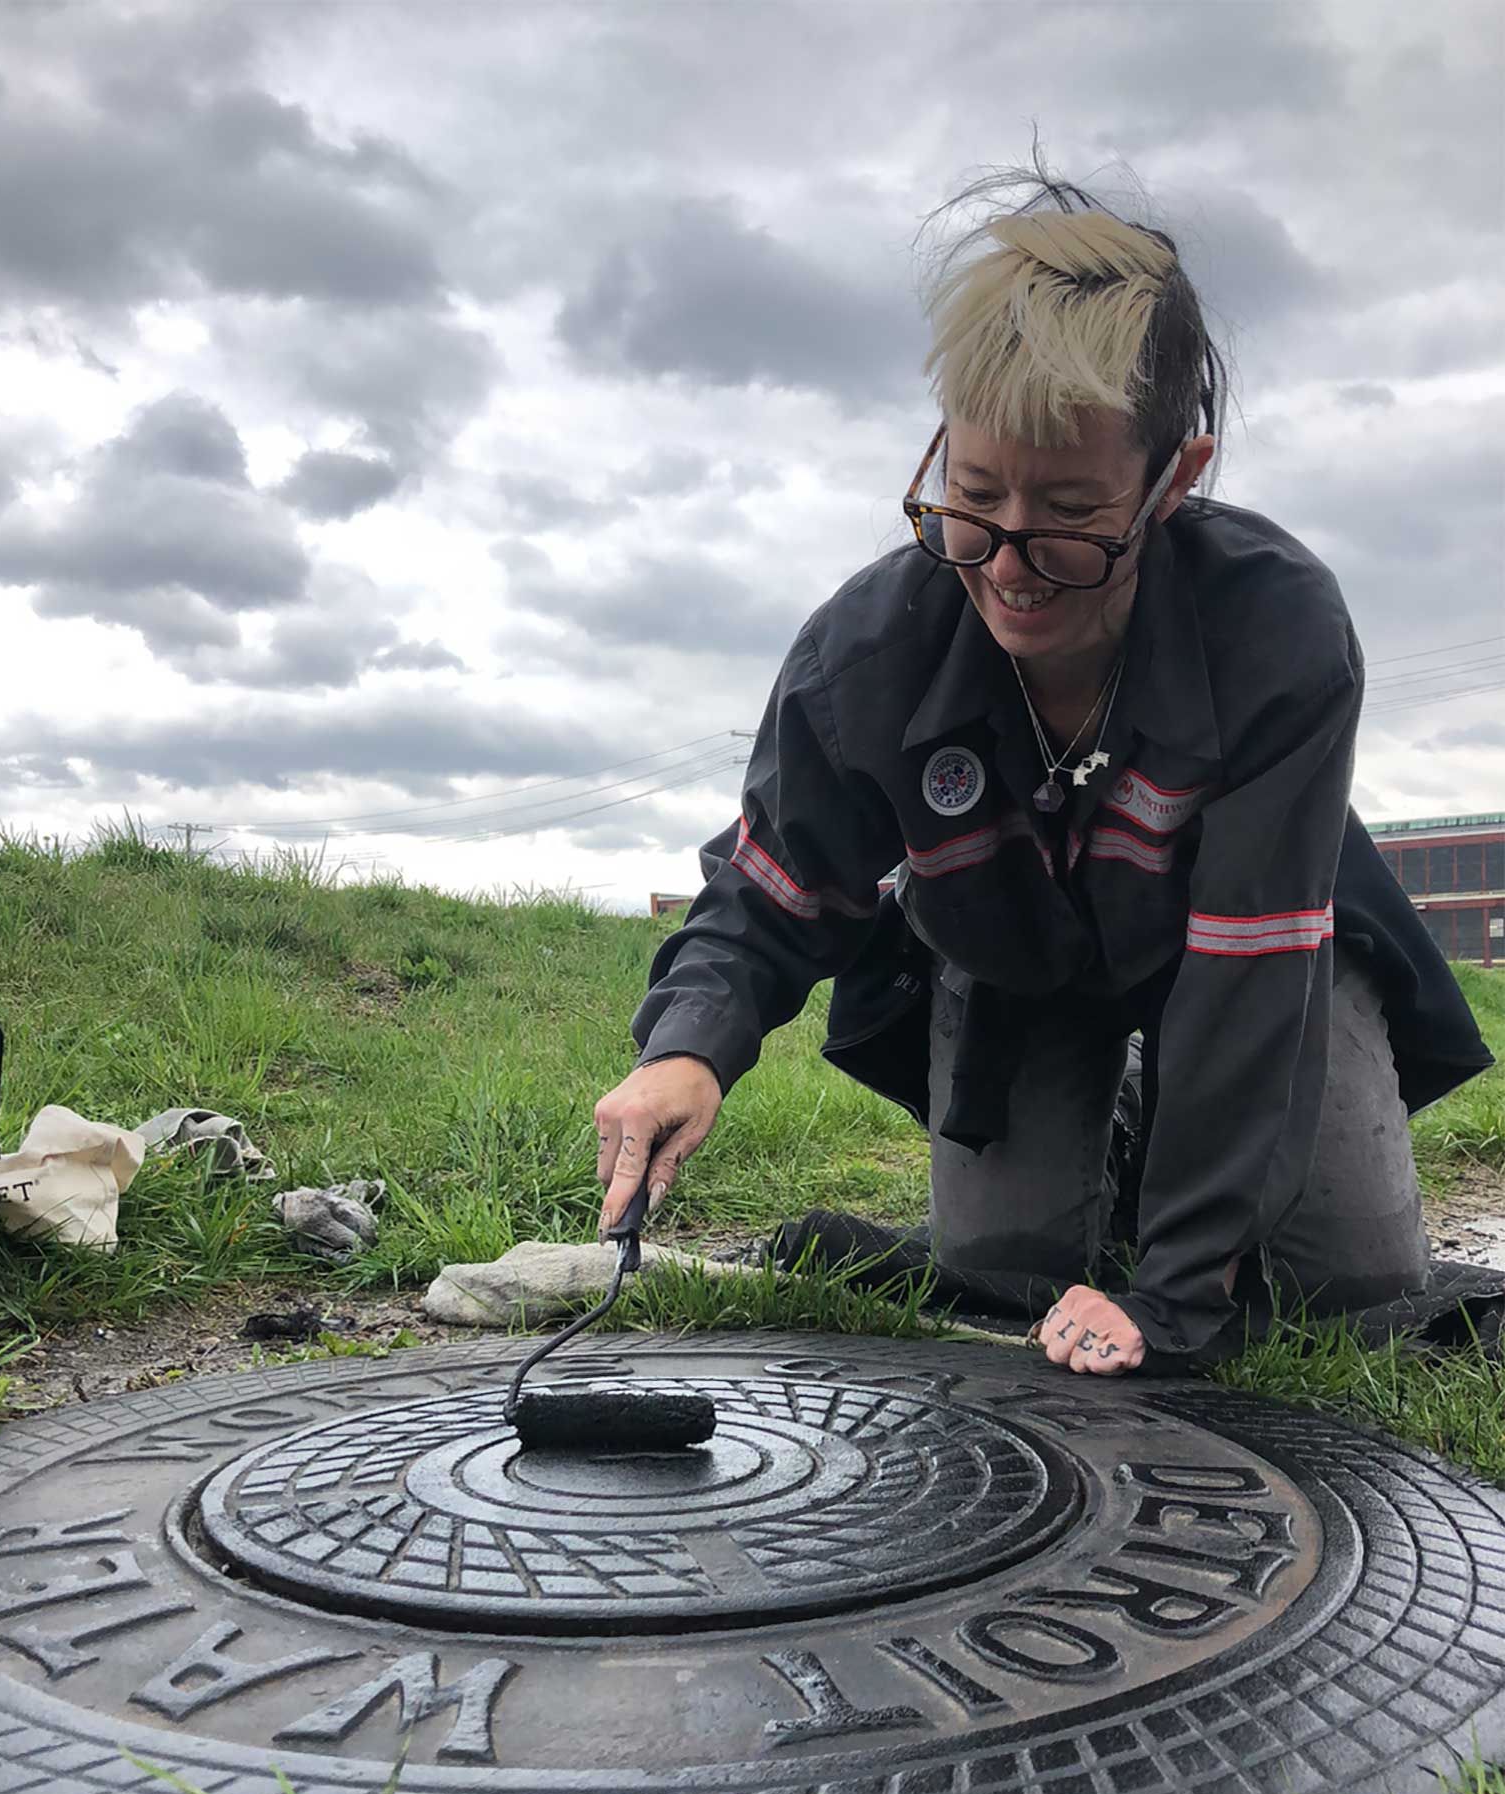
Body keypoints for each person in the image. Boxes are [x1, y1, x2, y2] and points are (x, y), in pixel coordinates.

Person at [593, 169, 1492, 1378]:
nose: (1007, 562)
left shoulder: (1277, 631)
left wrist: (1172, 1298)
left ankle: (1169, 1172)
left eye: (1068, 511)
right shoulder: (862, 653)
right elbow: (774, 884)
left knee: (1340, 1286)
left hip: (1262, 966)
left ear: (1172, 480)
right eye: (971, 497)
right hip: (1013, 975)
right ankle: (1122, 1143)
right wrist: (687, 1045)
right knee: (1002, 1271)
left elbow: (1248, 974)